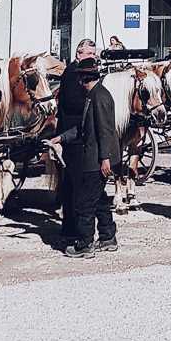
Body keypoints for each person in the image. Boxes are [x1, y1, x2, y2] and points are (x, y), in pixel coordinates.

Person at [55, 39, 119, 258]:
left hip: (92, 153)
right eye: (88, 53)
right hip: (82, 146)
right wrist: (61, 138)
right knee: (95, 195)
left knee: (84, 200)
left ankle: (84, 243)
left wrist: (105, 159)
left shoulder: (97, 97)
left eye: (94, 52)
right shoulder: (86, 88)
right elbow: (78, 119)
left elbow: (105, 130)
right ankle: (107, 235)